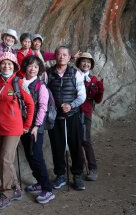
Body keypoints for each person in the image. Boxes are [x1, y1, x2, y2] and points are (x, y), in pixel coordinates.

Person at [0, 52, 34, 210]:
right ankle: (16, 187)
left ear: (14, 66)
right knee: (3, 158)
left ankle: (7, 192)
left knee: (5, 158)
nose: (6, 66)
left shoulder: (19, 82)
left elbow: (30, 104)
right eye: (3, 63)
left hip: (13, 128)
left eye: (10, 64)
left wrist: (26, 126)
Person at [47, 46, 87, 190]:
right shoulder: (48, 73)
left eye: (64, 54)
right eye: (58, 54)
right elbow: (43, 93)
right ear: (55, 56)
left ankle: (77, 175)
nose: (61, 57)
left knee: (75, 145)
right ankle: (60, 175)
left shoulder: (76, 73)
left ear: (70, 57)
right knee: (57, 147)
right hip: (55, 117)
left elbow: (82, 95)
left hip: (72, 115)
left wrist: (71, 105)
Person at [19, 55, 55, 204]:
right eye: (30, 65)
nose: (32, 68)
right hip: (22, 125)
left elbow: (42, 108)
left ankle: (47, 189)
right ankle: (39, 181)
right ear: (25, 67)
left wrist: (37, 126)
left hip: (35, 127)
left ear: (39, 69)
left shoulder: (41, 86)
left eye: (35, 66)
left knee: (37, 156)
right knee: (29, 154)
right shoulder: (19, 83)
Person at [75, 52, 104, 182]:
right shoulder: (73, 76)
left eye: (88, 62)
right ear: (79, 63)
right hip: (74, 112)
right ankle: (79, 168)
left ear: (91, 65)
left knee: (85, 139)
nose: (86, 64)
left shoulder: (93, 80)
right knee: (76, 141)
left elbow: (97, 100)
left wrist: (100, 90)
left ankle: (92, 168)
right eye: (83, 61)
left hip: (86, 112)